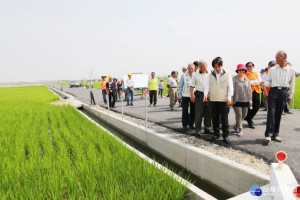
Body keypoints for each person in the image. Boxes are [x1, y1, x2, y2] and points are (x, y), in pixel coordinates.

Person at [263, 51, 295, 143]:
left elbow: (292, 83)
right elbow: (269, 81)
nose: (276, 59)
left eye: (277, 57)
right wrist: (263, 83)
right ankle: (268, 135)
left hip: (284, 92)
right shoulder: (272, 69)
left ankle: (275, 134)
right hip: (273, 91)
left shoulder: (291, 70)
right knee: (271, 113)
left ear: (284, 57)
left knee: (278, 113)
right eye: (275, 57)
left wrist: (290, 95)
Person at [204, 57, 233, 144]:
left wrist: (229, 97)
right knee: (215, 118)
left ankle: (225, 135)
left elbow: (230, 87)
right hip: (213, 99)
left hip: (223, 100)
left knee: (224, 119)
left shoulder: (227, 74)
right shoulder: (210, 75)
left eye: (218, 66)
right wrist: (205, 95)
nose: (217, 69)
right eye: (215, 67)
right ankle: (216, 134)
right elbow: (206, 86)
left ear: (221, 66)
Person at [190, 60, 211, 135]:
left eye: (203, 66)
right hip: (199, 95)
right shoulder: (195, 74)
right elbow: (192, 86)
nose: (202, 67)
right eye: (200, 66)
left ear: (206, 65)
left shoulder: (210, 74)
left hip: (209, 95)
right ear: (198, 66)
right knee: (198, 113)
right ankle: (197, 129)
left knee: (208, 113)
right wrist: (192, 95)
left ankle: (207, 128)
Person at [232, 64, 252, 137]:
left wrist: (250, 99)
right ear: (237, 70)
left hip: (246, 100)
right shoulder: (234, 78)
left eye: (243, 70)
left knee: (244, 115)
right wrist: (231, 98)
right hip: (236, 100)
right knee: (239, 115)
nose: (241, 71)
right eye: (240, 70)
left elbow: (250, 90)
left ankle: (236, 126)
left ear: (245, 71)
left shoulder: (247, 79)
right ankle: (240, 129)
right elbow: (231, 89)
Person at [244, 62, 263, 129]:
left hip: (257, 91)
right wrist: (255, 82)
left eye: (251, 66)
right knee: (249, 106)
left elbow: (260, 81)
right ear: (246, 67)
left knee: (257, 106)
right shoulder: (245, 74)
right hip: (249, 92)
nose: (249, 68)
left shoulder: (256, 73)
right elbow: (247, 82)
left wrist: (253, 82)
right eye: (248, 66)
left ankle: (248, 117)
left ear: (253, 67)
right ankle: (250, 121)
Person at [178, 64, 195, 130]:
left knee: (193, 111)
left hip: (193, 96)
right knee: (185, 110)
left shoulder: (195, 75)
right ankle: (185, 124)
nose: (191, 70)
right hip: (185, 95)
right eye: (189, 68)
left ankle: (191, 124)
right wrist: (180, 95)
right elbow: (180, 86)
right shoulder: (183, 75)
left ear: (194, 69)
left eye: (192, 68)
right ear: (187, 68)